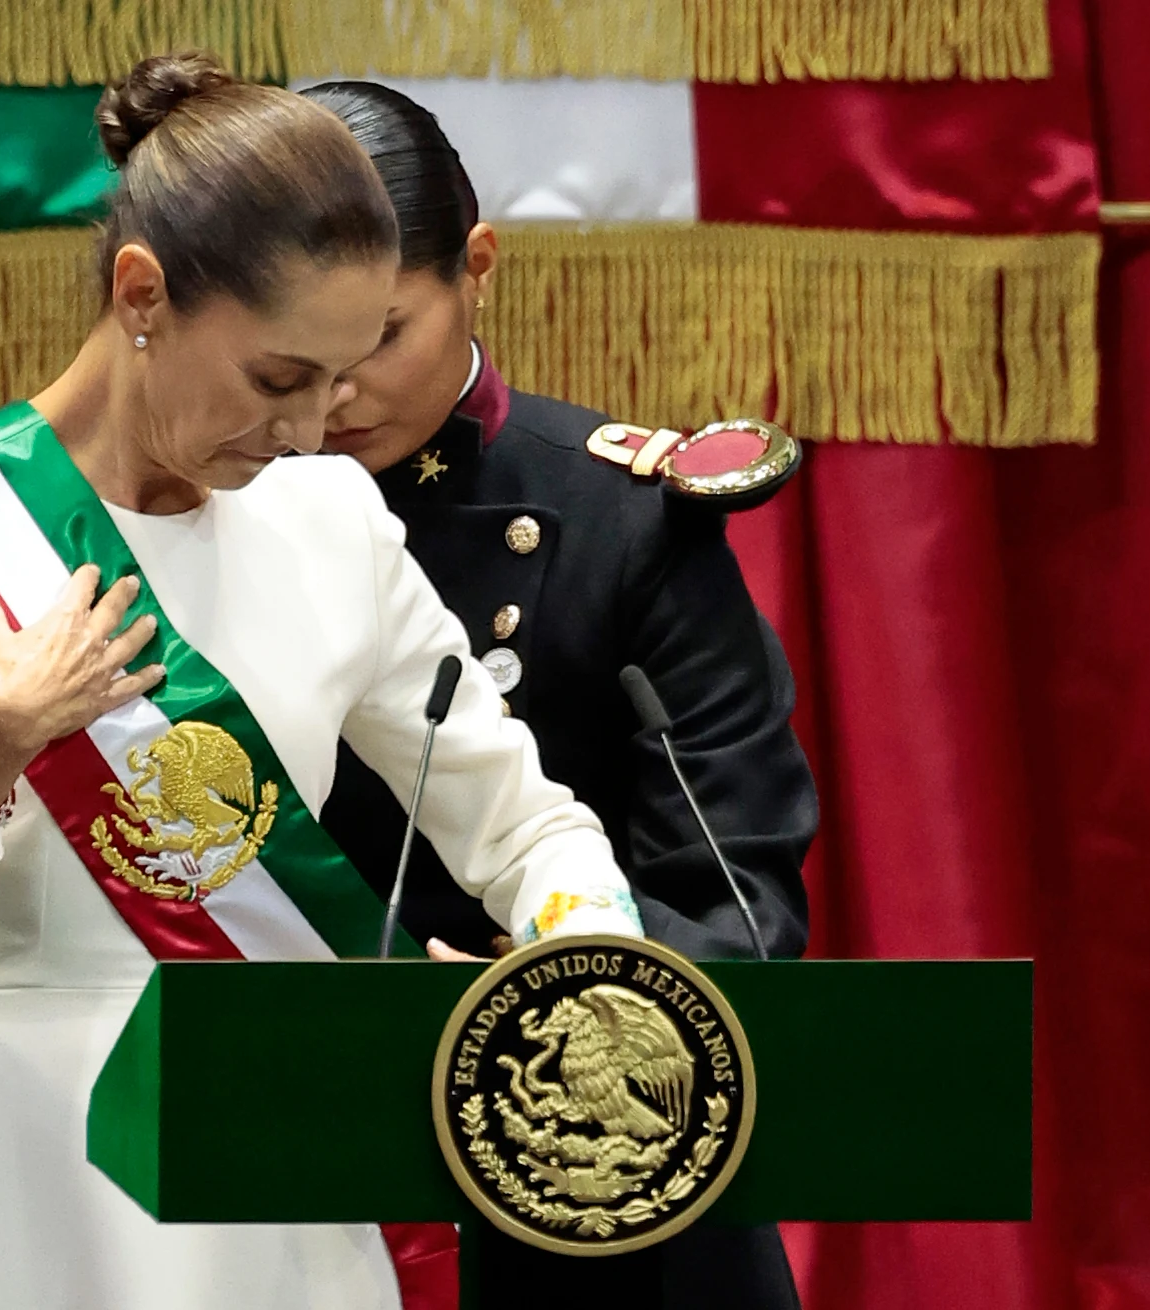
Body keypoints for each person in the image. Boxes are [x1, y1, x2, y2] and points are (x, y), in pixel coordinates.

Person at [0, 53, 648, 1310]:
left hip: (273, 1185)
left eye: (339, 382)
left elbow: (524, 824)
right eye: (277, 380)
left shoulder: (330, 519)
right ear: (142, 292)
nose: (306, 429)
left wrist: (583, 977)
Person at [303, 80, 821, 1308]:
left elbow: (735, 898)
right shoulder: (197, 524)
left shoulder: (622, 520)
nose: (331, 391)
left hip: (584, 1181)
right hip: (294, 1152)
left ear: (475, 266)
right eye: (294, 341)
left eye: (381, 335)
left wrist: (542, 1011)